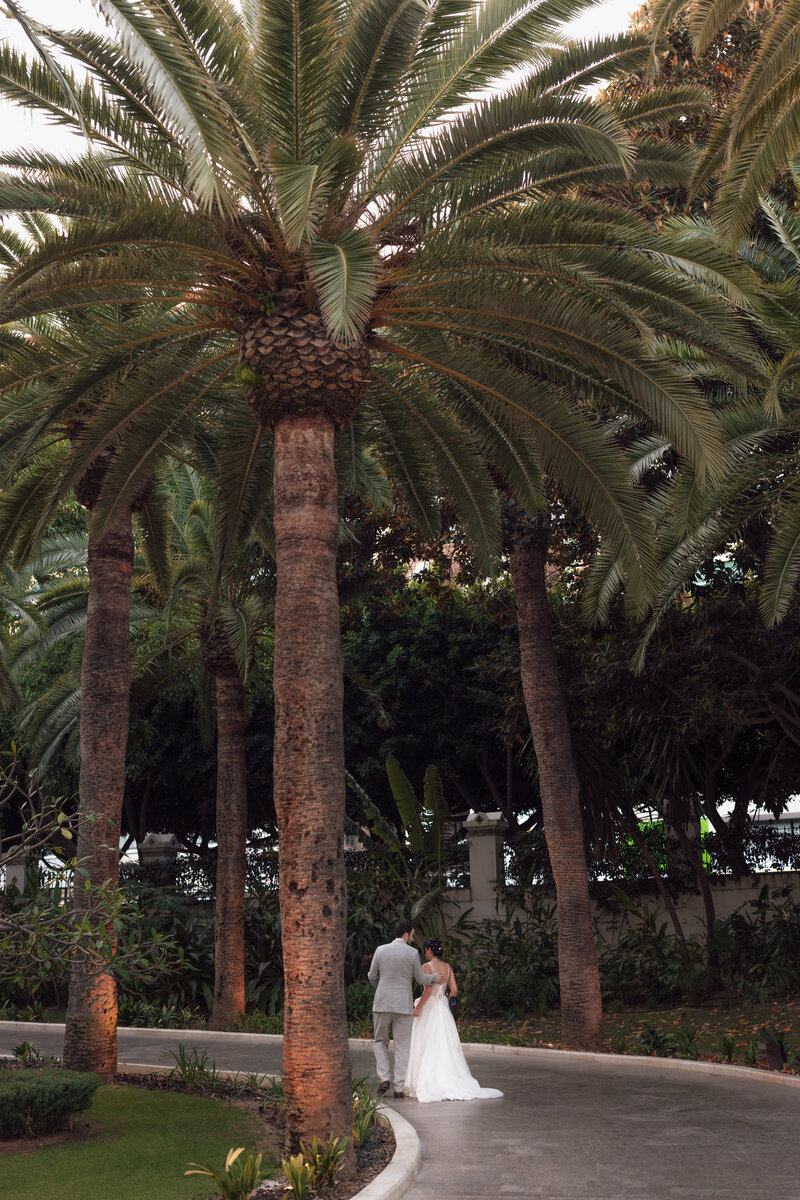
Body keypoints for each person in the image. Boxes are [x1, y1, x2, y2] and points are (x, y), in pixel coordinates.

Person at [405, 937, 503, 1103]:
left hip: (429, 1007)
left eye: (426, 950)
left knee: (425, 1041)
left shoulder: (427, 967)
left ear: (429, 950)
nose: (425, 953)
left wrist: (419, 1007)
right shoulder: (448, 967)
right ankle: (449, 1076)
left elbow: (428, 990)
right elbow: (455, 990)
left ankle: (426, 1080)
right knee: (444, 1043)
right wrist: (445, 996)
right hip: (442, 1007)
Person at [368, 919, 443, 1098]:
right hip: (403, 1006)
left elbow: (372, 975)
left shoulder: (380, 950)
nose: (413, 938)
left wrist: (381, 990)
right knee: (403, 1046)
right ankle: (399, 1088)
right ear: (405, 934)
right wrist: (434, 977)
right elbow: (420, 978)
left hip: (382, 1003)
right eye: (412, 935)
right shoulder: (412, 953)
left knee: (380, 1041)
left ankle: (384, 1078)